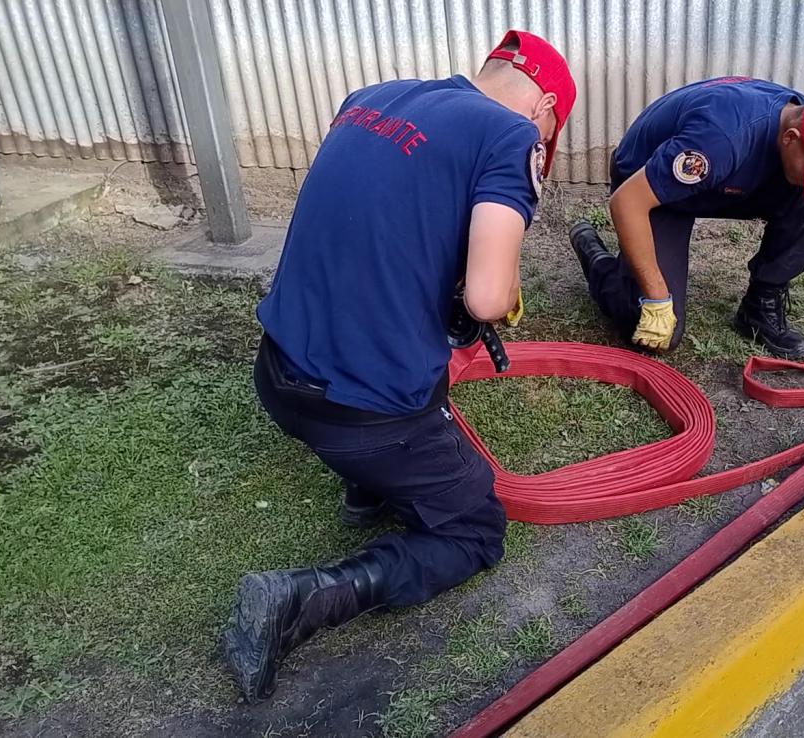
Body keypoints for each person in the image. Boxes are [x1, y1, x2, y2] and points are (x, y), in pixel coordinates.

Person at [221, 30, 576, 703]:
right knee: (474, 528)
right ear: (545, 109)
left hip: (277, 374)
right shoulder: (509, 137)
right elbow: (486, 297)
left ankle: (367, 487)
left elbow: (374, 230)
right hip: (359, 413)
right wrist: (495, 295)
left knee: (420, 341)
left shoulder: (372, 97)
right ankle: (301, 600)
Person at [570, 77, 804, 360]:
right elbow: (627, 202)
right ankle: (597, 259)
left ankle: (760, 307)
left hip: (723, 179)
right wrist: (656, 298)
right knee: (651, 330)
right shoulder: (720, 138)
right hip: (648, 181)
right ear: (790, 137)